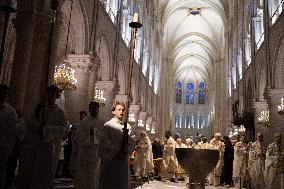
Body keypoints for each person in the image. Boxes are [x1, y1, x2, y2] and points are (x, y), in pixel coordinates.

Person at [16, 85, 68, 189]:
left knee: (44, 171)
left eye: (52, 94)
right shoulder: (40, 109)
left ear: (56, 96)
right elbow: (30, 122)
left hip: (48, 146)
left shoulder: (60, 112)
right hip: (34, 144)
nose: (49, 96)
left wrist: (46, 130)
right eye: (48, 94)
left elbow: (63, 128)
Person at [99, 100, 136, 189]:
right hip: (111, 159)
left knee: (122, 183)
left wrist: (126, 149)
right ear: (113, 111)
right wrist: (116, 151)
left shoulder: (127, 126)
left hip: (123, 160)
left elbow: (132, 143)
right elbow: (104, 141)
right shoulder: (108, 125)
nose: (121, 112)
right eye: (119, 109)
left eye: (123, 110)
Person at [74, 102, 102, 189]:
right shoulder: (83, 122)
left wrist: (95, 134)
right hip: (84, 152)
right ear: (89, 109)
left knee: (93, 175)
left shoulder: (102, 123)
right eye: (92, 108)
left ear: (98, 109)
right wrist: (88, 135)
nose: (94, 110)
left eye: (96, 108)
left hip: (96, 153)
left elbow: (104, 138)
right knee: (83, 174)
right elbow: (77, 135)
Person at [0, 85, 17, 189]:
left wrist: (8, 147)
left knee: (1, 170)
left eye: (4, 93)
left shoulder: (10, 111)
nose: (2, 95)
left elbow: (12, 131)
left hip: (2, 146)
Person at [69, 110, 87, 176]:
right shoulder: (77, 125)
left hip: (82, 145)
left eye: (82, 116)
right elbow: (73, 134)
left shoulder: (87, 125)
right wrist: (74, 140)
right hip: (76, 145)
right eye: (80, 116)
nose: (81, 117)